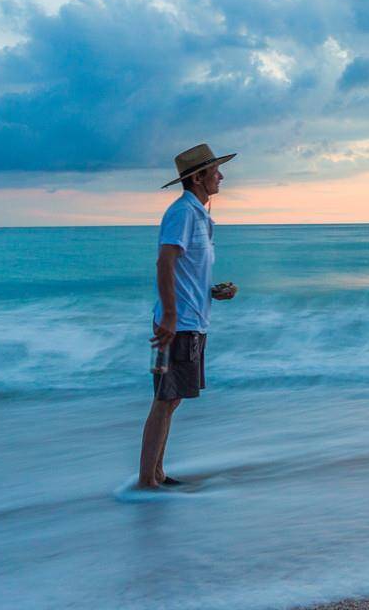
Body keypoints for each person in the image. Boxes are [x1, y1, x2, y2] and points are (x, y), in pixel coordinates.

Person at [137, 143, 239, 490]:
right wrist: (168, 316)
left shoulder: (199, 216)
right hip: (177, 324)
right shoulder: (183, 213)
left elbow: (186, 270)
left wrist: (212, 290)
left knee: (172, 398)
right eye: (215, 171)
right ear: (198, 177)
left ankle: (157, 474)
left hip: (190, 321)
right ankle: (147, 481)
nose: (220, 176)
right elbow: (165, 262)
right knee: (165, 399)